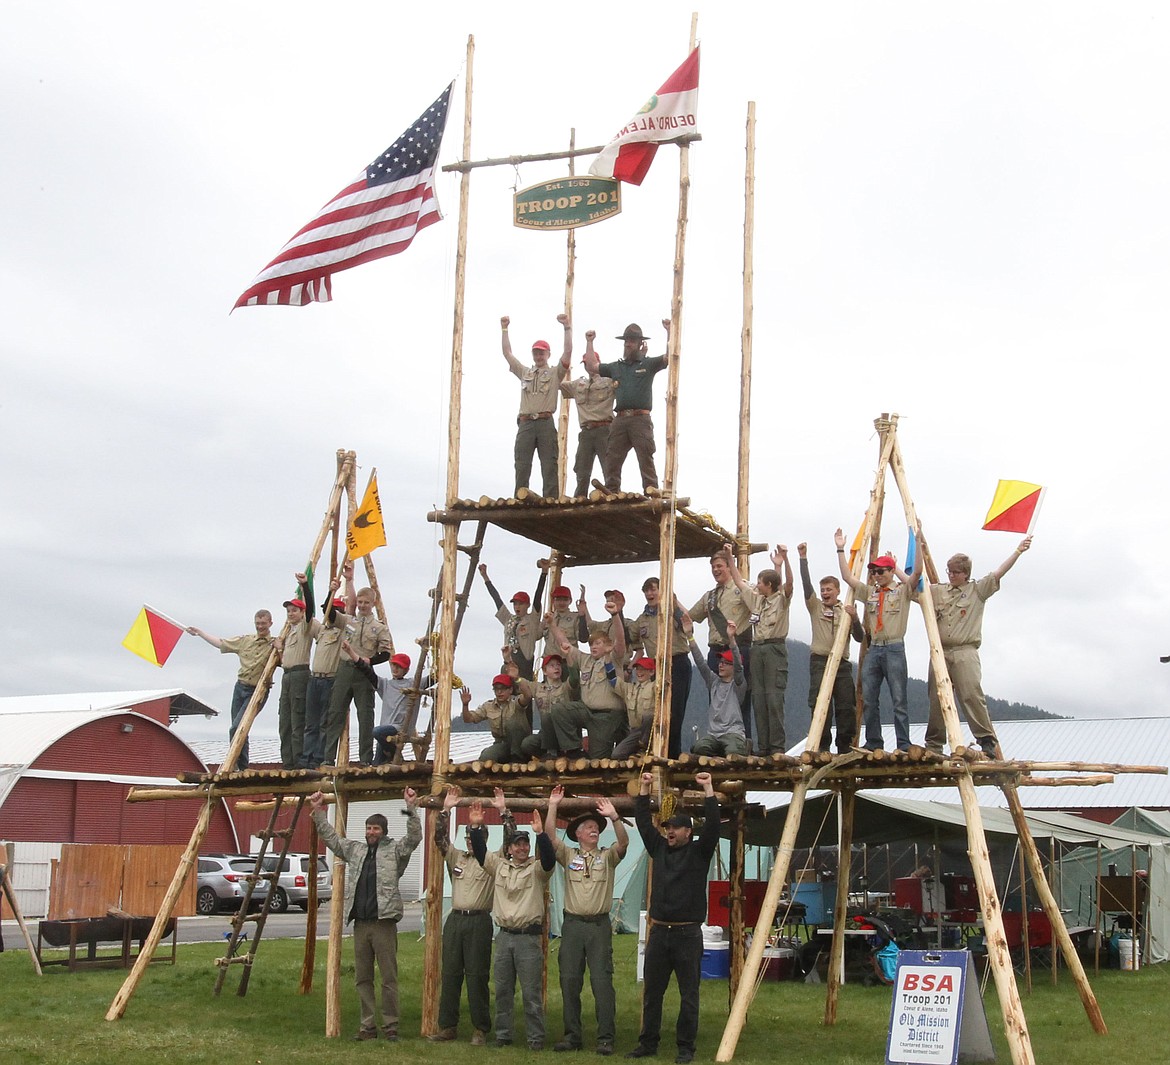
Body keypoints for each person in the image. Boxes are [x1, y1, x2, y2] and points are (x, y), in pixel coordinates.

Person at [309, 787, 421, 1042]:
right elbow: (334, 841)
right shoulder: (356, 850)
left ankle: (391, 1025)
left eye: (376, 829)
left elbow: (414, 837)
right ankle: (367, 1025)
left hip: (384, 923)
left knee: (389, 978)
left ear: (384, 832)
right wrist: (318, 812)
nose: (371, 832)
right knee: (363, 978)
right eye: (369, 828)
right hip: (361, 924)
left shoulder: (395, 851)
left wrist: (411, 808)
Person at [628, 771, 720, 1065]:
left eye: (675, 828)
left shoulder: (699, 853)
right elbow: (643, 822)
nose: (669, 831)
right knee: (652, 993)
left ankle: (685, 1047)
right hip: (659, 934)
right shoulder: (658, 849)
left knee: (688, 994)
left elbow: (714, 827)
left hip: (687, 934)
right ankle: (648, 1043)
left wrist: (708, 789)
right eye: (667, 827)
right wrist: (643, 788)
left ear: (687, 832)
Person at [925, 537, 1033, 757]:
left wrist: (1018, 551)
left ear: (965, 573)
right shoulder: (938, 591)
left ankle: (986, 740)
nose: (951, 575)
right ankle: (934, 744)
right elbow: (914, 583)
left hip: (965, 650)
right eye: (949, 571)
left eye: (955, 572)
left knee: (971, 694)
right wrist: (898, 567)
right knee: (937, 697)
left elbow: (999, 572)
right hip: (940, 651)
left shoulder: (977, 590)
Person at [469, 791, 556, 1051]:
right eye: (517, 844)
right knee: (504, 991)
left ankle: (536, 1039)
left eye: (525, 844)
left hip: (529, 939)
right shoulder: (499, 867)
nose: (522, 848)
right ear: (508, 848)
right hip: (505, 936)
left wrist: (540, 834)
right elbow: (481, 853)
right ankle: (504, 1036)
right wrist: (475, 826)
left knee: (531, 994)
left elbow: (550, 859)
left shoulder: (537, 869)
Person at [430, 784, 516, 1046]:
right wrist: (446, 809)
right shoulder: (455, 856)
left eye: (474, 836)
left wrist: (504, 812)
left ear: (482, 838)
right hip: (455, 920)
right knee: (451, 974)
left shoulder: (493, 859)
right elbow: (439, 838)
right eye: (467, 836)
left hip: (479, 920)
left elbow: (511, 839)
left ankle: (480, 1028)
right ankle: (447, 1026)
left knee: (477, 975)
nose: (469, 841)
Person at [545, 785, 628, 1055]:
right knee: (569, 980)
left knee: (602, 983)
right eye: (588, 827)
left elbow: (623, 844)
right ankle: (572, 1036)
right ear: (578, 834)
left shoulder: (607, 856)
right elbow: (548, 837)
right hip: (572, 926)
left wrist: (614, 818)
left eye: (596, 826)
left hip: (599, 927)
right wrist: (553, 805)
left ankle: (606, 1038)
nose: (593, 829)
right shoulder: (568, 855)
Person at [834, 529, 922, 752]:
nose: (877, 575)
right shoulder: (870, 592)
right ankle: (874, 742)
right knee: (869, 699)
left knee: (899, 698)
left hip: (894, 647)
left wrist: (919, 545)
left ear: (892, 571)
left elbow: (917, 574)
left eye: (881, 571)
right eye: (873, 571)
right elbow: (847, 577)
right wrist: (840, 549)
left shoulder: (902, 591)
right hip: (874, 649)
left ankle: (903, 743)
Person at [724, 545, 794, 755]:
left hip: (774, 648)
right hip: (758, 649)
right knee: (759, 698)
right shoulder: (756, 599)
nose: (756, 585)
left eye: (760, 582)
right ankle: (764, 746)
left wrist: (786, 560)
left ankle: (777, 746)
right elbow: (738, 581)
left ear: (769, 585)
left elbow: (789, 583)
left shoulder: (781, 599)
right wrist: (730, 558)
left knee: (773, 699)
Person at [585, 320, 670, 494]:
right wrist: (590, 342)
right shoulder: (617, 367)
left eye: (631, 340)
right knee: (612, 457)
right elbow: (592, 366)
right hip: (621, 419)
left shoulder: (647, 364)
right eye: (626, 340)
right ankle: (612, 490)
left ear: (640, 344)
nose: (628, 343)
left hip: (641, 418)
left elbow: (669, 358)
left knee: (645, 454)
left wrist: (669, 332)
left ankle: (651, 489)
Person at [186, 609, 275, 771]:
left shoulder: (274, 645)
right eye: (258, 623)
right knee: (238, 728)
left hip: (258, 690)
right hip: (240, 687)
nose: (260, 626)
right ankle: (240, 765)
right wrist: (200, 633)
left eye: (263, 623)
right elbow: (221, 643)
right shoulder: (245, 640)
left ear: (270, 623)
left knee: (238, 727)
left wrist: (280, 648)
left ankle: (237, 763)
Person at [322, 571, 393, 766]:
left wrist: (369, 661)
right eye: (360, 602)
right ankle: (328, 757)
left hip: (363, 673)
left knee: (365, 715)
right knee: (335, 713)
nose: (362, 605)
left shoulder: (379, 627)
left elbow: (386, 653)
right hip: (344, 669)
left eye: (366, 603)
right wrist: (331, 592)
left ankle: (365, 759)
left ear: (373, 604)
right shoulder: (348, 620)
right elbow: (328, 614)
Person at [797, 543, 860, 754]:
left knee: (845, 706)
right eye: (822, 590)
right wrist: (803, 559)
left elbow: (860, 637)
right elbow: (806, 586)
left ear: (837, 591)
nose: (825, 593)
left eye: (828, 590)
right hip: (820, 661)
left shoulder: (847, 609)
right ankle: (822, 745)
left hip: (842, 663)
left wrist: (855, 618)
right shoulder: (815, 607)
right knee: (819, 704)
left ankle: (845, 746)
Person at [501, 312, 572, 498]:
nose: (538, 355)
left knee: (549, 463)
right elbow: (507, 353)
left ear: (548, 354)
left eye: (541, 352)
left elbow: (568, 353)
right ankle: (520, 496)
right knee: (522, 462)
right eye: (536, 352)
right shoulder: (525, 372)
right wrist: (504, 328)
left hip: (544, 422)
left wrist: (567, 328)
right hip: (525, 423)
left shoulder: (555, 373)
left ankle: (550, 498)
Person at [689, 545, 754, 740]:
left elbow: (756, 605)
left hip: (737, 649)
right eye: (713, 567)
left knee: (741, 700)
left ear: (728, 566)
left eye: (719, 566)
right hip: (715, 652)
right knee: (715, 700)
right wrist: (673, 602)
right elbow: (690, 616)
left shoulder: (743, 587)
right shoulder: (710, 596)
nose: (716, 570)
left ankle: (744, 742)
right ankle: (717, 741)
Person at [546, 618, 628, 758]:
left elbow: (620, 640)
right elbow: (565, 644)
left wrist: (615, 615)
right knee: (560, 710)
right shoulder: (585, 659)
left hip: (607, 716)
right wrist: (552, 625)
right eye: (591, 644)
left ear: (608, 644)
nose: (593, 647)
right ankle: (573, 751)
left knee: (598, 759)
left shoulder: (614, 658)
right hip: (587, 711)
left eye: (597, 643)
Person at [631, 577, 692, 759]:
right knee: (657, 710)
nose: (650, 594)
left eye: (653, 590)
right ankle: (657, 747)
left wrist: (673, 602)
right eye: (646, 591)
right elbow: (631, 638)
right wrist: (635, 658)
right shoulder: (642, 619)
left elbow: (689, 626)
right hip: (656, 665)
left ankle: (673, 752)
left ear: (661, 592)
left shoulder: (672, 612)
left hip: (678, 662)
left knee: (675, 710)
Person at [345, 649, 430, 766]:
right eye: (394, 665)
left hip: (400, 728)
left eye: (399, 666)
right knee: (376, 766)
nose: (395, 669)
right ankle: (393, 755)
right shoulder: (385, 685)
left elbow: (434, 678)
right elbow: (367, 671)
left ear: (406, 670)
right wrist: (350, 651)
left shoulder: (414, 683)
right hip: (386, 732)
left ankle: (396, 755)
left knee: (376, 731)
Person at [560, 328, 618, 497]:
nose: (588, 365)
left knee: (609, 466)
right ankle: (580, 497)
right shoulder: (578, 384)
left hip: (605, 429)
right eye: (585, 363)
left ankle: (612, 494)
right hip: (586, 431)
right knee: (581, 468)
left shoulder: (610, 381)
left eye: (590, 362)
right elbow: (556, 382)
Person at [300, 574, 347, 769]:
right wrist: (305, 588)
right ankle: (306, 758)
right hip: (314, 679)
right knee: (310, 722)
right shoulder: (321, 630)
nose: (329, 614)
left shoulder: (343, 629)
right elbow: (309, 613)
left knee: (324, 722)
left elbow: (344, 613)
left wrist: (333, 591)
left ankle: (319, 757)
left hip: (330, 680)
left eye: (333, 610)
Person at [686, 619, 748, 757]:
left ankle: (743, 745)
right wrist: (690, 636)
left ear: (733, 667)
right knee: (698, 748)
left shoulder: (738, 684)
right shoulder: (713, 681)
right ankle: (720, 751)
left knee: (734, 751)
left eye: (726, 663)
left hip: (733, 733)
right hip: (714, 735)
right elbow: (700, 662)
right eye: (721, 662)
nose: (721, 665)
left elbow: (739, 665)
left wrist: (731, 639)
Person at [273, 571, 316, 769]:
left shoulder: (305, 627)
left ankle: (298, 759)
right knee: (285, 720)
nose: (291, 614)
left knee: (298, 718)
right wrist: (280, 650)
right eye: (288, 611)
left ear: (301, 613)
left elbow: (311, 606)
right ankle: (287, 760)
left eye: (294, 611)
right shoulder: (288, 632)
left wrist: (305, 586)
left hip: (300, 674)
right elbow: (285, 661)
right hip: (287, 675)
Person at [480, 561, 547, 681]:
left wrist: (544, 573)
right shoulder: (508, 619)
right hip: (509, 662)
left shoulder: (531, 619)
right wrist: (485, 577)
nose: (517, 607)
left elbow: (538, 596)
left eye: (521, 604)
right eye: (515, 604)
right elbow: (496, 599)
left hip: (524, 664)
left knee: (523, 693)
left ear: (527, 605)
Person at [460, 675, 540, 762]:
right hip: (502, 743)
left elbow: (528, 696)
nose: (499, 692)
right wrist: (465, 705)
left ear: (510, 690)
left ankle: (518, 760)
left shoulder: (516, 702)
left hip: (519, 743)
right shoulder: (488, 706)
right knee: (486, 757)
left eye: (503, 688)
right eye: (496, 689)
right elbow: (468, 719)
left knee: (512, 723)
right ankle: (504, 760)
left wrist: (517, 678)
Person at [612, 656, 658, 759]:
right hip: (635, 731)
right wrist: (606, 659)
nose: (639, 672)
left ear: (651, 672)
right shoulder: (629, 688)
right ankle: (635, 754)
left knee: (649, 716)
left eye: (643, 669)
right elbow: (613, 681)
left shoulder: (655, 687)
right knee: (616, 754)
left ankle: (644, 747)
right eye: (637, 669)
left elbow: (665, 685)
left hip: (651, 732)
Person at [541, 582, 581, 659]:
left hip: (568, 661)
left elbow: (583, 638)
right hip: (549, 660)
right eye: (558, 599)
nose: (562, 603)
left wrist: (583, 615)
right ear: (553, 601)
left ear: (570, 601)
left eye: (565, 599)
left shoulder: (576, 618)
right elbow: (537, 635)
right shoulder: (547, 617)